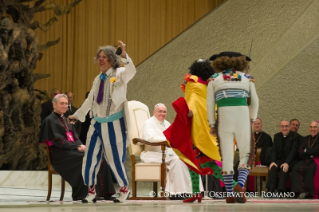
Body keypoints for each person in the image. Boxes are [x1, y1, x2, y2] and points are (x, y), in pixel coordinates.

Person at [68, 40, 136, 203]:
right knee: (89, 157)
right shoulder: (97, 78)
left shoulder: (120, 73)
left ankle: (124, 189)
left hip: (114, 123)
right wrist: (77, 115)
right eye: (99, 56)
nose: (101, 59)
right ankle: (91, 191)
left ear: (112, 59)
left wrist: (124, 54)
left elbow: (131, 71)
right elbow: (90, 99)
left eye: (104, 56)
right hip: (96, 123)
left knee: (114, 158)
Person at [164, 59, 236, 203]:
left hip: (195, 126)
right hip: (207, 126)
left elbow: (191, 99)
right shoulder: (210, 83)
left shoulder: (192, 81)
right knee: (193, 161)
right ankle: (197, 192)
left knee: (203, 163)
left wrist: (188, 111)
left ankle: (234, 186)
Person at [207, 52, 259, 203]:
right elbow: (255, 102)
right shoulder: (247, 78)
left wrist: (212, 124)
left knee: (227, 157)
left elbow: (210, 105)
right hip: (242, 116)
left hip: (224, 118)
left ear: (219, 63)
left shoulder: (214, 79)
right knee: (245, 154)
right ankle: (240, 186)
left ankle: (230, 192)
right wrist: (252, 119)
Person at [39, 94, 88, 201]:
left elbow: (76, 137)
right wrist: (76, 147)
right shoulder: (50, 120)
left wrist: (81, 145)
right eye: (62, 103)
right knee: (84, 158)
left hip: (71, 151)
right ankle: (81, 194)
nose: (65, 106)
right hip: (59, 155)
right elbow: (58, 142)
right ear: (54, 104)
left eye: (66, 104)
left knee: (92, 156)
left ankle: (99, 192)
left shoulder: (66, 120)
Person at [140, 103, 194, 198]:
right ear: (154, 112)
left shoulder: (166, 123)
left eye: (164, 112)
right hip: (152, 153)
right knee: (177, 160)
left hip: (165, 153)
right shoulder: (148, 123)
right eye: (160, 111)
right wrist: (166, 140)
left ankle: (187, 191)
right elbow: (150, 139)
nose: (162, 114)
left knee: (184, 158)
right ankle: (175, 194)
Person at [266, 120, 298, 195]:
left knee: (284, 168)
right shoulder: (277, 136)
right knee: (273, 167)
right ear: (279, 127)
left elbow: (293, 152)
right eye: (282, 126)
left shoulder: (295, 137)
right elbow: (274, 150)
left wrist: (287, 163)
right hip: (279, 160)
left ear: (290, 127)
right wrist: (273, 161)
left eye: (286, 126)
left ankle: (280, 191)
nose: (284, 128)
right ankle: (271, 190)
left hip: (291, 161)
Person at [291, 121, 319, 199]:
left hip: (316, 160)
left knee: (310, 169)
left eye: (315, 127)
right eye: (311, 127)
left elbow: (317, 151)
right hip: (305, 159)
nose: (312, 129)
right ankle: (300, 191)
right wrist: (309, 152)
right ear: (308, 128)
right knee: (295, 168)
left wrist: (306, 151)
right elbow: (300, 152)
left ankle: (309, 193)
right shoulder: (305, 138)